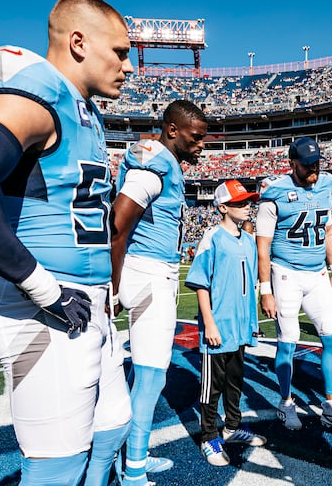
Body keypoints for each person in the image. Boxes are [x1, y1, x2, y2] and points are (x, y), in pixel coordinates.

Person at [0, 0, 134, 486]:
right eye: (119, 52)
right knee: (58, 467)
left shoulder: (83, 108)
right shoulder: (38, 93)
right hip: (49, 308)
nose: (127, 66)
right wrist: (43, 288)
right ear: (78, 42)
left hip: (88, 304)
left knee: (111, 432)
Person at [111, 99, 208, 485]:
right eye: (196, 137)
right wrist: (112, 287)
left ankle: (133, 456)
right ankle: (133, 470)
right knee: (150, 377)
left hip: (148, 270)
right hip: (148, 272)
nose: (202, 145)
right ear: (172, 130)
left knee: (141, 377)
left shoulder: (162, 161)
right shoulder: (156, 162)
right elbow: (118, 223)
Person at [256, 136, 332, 435]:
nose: (313, 170)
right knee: (288, 341)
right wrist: (265, 289)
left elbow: (328, 229)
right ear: (292, 163)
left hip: (317, 273)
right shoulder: (274, 190)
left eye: (316, 163)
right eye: (306, 165)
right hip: (285, 272)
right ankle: (286, 401)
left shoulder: (327, 184)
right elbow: (262, 244)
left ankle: (331, 406)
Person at [186, 180, 266, 467]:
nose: (247, 207)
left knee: (235, 381)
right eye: (241, 203)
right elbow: (201, 284)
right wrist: (209, 323)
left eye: (248, 202)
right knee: (212, 386)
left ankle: (232, 427)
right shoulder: (212, 237)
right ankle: (209, 436)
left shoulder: (247, 240)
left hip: (241, 327)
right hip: (218, 327)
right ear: (222, 207)